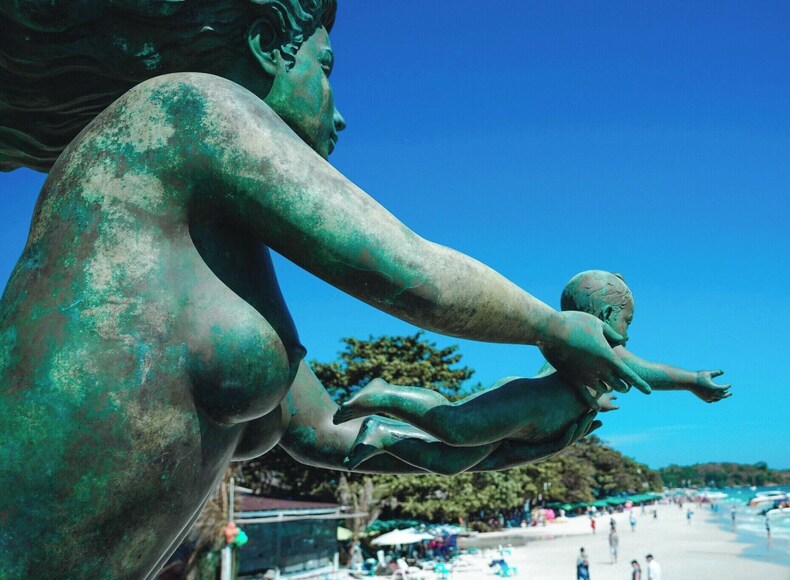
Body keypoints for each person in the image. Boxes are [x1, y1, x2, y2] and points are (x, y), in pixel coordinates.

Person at [0, 3, 652, 577]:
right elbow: (412, 274)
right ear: (264, 43)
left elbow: (322, 430)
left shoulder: (225, 253)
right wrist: (555, 327)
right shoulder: (184, 109)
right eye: (327, 67)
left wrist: (492, 442)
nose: (340, 115)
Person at [335, 271, 731, 469]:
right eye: (629, 320)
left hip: (526, 422)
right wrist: (693, 381)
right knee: (457, 426)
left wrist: (594, 396)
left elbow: (581, 382)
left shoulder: (586, 360)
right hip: (523, 405)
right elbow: (648, 371)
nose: (629, 331)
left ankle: (384, 435)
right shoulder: (599, 348)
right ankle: (384, 394)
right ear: (608, 315)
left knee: (452, 463)